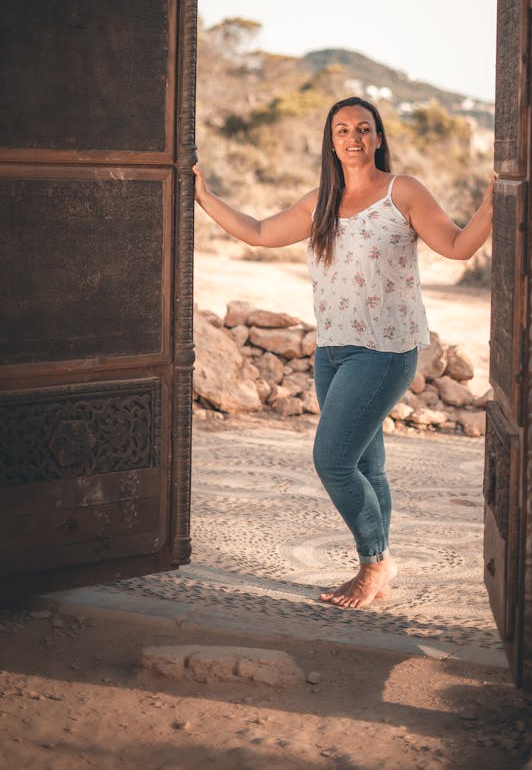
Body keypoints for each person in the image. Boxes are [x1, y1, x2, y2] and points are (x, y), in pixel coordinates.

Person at [193, 96, 494, 610]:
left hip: (383, 352)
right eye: (341, 130)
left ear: (378, 137)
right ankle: (374, 568)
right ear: (330, 141)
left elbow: (460, 247)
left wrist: (494, 200)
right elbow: (261, 233)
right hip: (332, 351)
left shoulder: (404, 192)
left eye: (363, 128)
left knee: (332, 461)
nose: (353, 137)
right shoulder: (321, 202)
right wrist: (203, 195)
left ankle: (376, 561)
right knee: (367, 466)